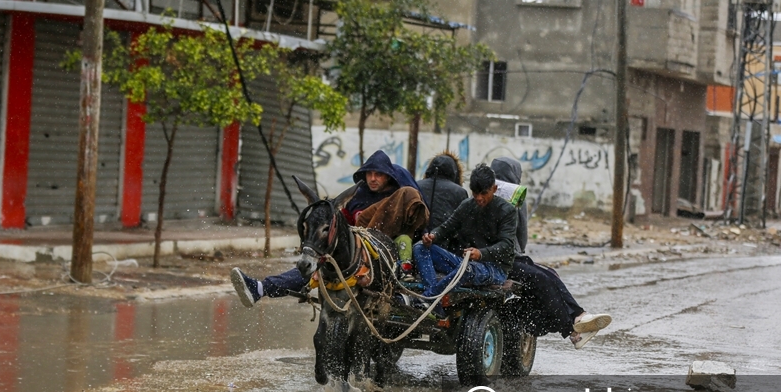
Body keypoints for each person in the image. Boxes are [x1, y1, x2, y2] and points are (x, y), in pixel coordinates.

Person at [231, 151, 427, 307]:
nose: (373, 178)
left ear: (388, 176)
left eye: (379, 174)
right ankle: (260, 288)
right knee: (313, 262)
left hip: (381, 257)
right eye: (369, 174)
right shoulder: (357, 198)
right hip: (353, 250)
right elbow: (343, 224)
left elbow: (415, 223)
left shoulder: (397, 198)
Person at [490, 156, 611, 349]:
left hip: (490, 258)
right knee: (544, 279)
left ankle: (578, 316)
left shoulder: (480, 193)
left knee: (548, 274)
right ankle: (573, 328)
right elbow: (522, 235)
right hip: (506, 260)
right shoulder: (515, 195)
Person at [412, 164, 516, 311]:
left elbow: (507, 245)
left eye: (484, 193)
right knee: (420, 247)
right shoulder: (467, 205)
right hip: (465, 263)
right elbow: (446, 228)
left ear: (494, 189)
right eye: (475, 193)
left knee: (467, 269)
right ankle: (434, 304)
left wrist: (481, 254)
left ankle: (429, 298)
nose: (479, 198)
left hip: (494, 269)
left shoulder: (507, 211)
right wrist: (433, 236)